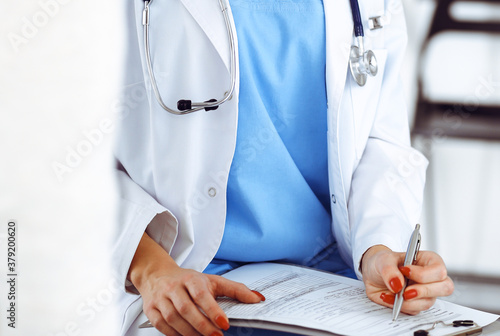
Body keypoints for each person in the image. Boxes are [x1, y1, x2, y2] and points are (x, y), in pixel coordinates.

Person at [113, 0, 454, 335]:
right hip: (182, 276)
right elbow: (71, 159)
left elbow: (380, 138)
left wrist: (379, 249)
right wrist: (150, 268)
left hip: (330, 279)